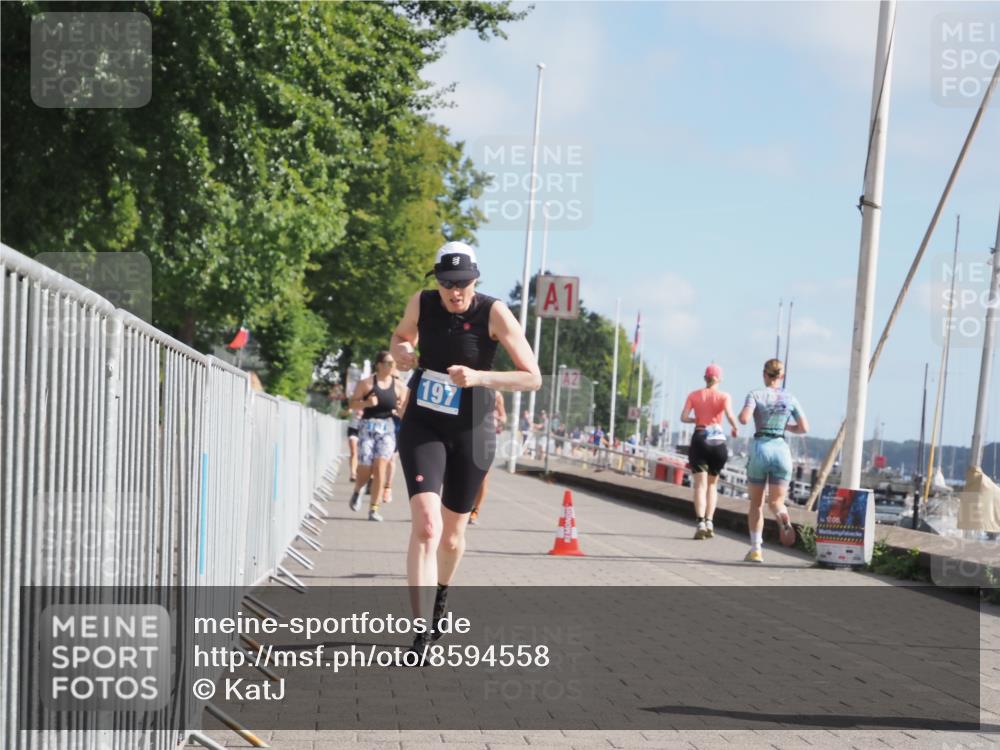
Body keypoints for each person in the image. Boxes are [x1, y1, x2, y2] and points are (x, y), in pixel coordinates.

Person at [391, 241, 541, 652]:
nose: (454, 292)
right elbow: (401, 336)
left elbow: (532, 377)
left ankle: (441, 593)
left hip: (472, 429)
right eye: (446, 284)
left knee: (452, 537)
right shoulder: (422, 302)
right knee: (427, 525)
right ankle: (421, 632)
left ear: (476, 280)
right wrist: (401, 350)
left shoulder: (494, 312)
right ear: (436, 281)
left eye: (462, 283)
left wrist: (480, 377)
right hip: (423, 422)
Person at [738, 358, 809, 563]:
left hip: (761, 448)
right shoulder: (790, 398)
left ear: (764, 374)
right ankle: (782, 516)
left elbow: (744, 418)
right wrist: (786, 427)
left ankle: (756, 550)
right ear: (782, 376)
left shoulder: (755, 394)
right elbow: (804, 428)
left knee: (756, 504)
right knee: (776, 502)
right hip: (781, 451)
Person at [680, 364, 740, 540]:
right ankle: (710, 522)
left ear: (705, 378)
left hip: (700, 435)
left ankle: (700, 523)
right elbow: (729, 415)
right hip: (717, 438)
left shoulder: (693, 395)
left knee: (700, 485)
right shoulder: (724, 396)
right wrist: (735, 427)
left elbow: (683, 417)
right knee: (712, 485)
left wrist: (696, 420)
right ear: (719, 379)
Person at [348, 352, 408, 521]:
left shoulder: (399, 386)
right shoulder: (366, 383)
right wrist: (367, 403)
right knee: (366, 467)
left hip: (387, 428)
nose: (392, 366)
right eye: (388, 363)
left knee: (381, 466)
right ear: (379, 365)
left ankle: (374, 509)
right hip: (367, 427)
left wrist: (400, 410)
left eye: (393, 363)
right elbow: (352, 404)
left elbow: (404, 410)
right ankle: (358, 490)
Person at [469, 391, 507, 526]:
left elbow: (504, 417)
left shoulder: (496, 395)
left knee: (483, 476)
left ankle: (475, 510)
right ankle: (459, 505)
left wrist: (497, 418)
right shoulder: (467, 388)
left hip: (486, 438)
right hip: (466, 435)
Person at [346, 408, 362, 482]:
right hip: (353, 428)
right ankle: (353, 473)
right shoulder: (355, 402)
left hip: (365, 429)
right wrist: (348, 412)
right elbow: (346, 412)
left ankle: (364, 472)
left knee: (362, 453)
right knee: (353, 452)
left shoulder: (370, 402)